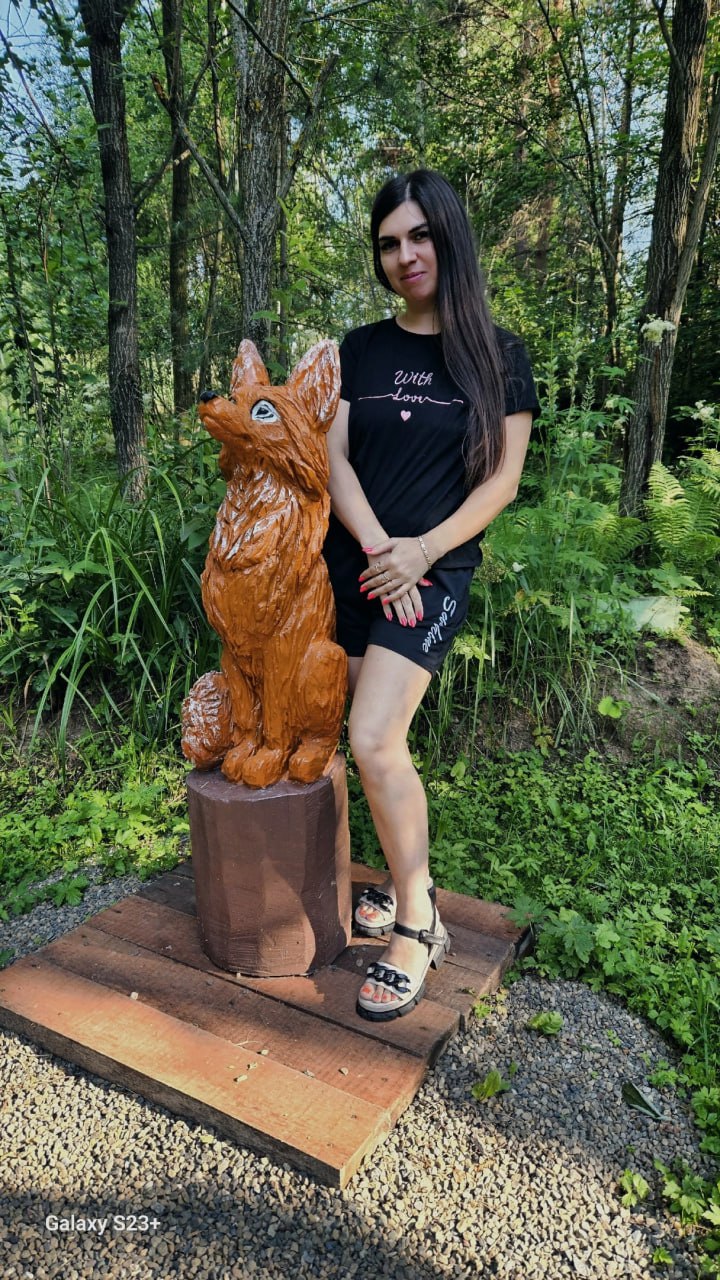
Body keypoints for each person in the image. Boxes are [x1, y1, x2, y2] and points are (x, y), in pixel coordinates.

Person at [323, 169, 540, 1022]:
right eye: (388, 243)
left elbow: (502, 482)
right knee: (356, 740)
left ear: (449, 237)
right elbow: (335, 459)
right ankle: (394, 877)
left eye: (419, 235)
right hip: (351, 566)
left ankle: (418, 923)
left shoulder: (499, 355)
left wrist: (420, 553)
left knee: (375, 738)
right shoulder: (360, 348)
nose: (405, 255)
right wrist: (382, 548)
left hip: (434, 572)